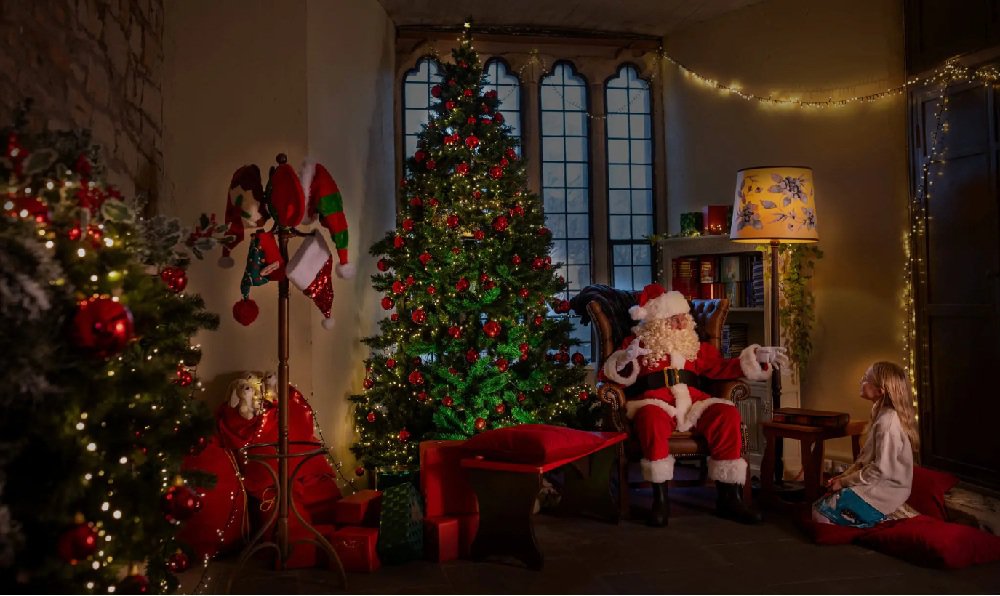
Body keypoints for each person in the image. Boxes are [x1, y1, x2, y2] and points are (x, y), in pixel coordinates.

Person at [602, 283, 788, 526]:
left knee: (726, 413)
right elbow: (609, 377)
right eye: (674, 319)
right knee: (650, 417)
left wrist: (756, 358)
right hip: (656, 401)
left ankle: (729, 497)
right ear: (658, 321)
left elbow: (721, 367)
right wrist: (624, 360)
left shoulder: (695, 347)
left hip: (693, 402)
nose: (681, 323)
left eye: (683, 318)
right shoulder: (636, 343)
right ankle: (660, 499)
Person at [812, 361, 919, 528]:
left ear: (880, 391)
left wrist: (844, 483)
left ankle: (888, 518)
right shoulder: (878, 411)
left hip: (885, 489)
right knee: (822, 502)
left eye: (866, 379)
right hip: (874, 481)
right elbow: (866, 459)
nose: (861, 381)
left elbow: (880, 469)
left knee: (821, 515)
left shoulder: (887, 424)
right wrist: (843, 478)